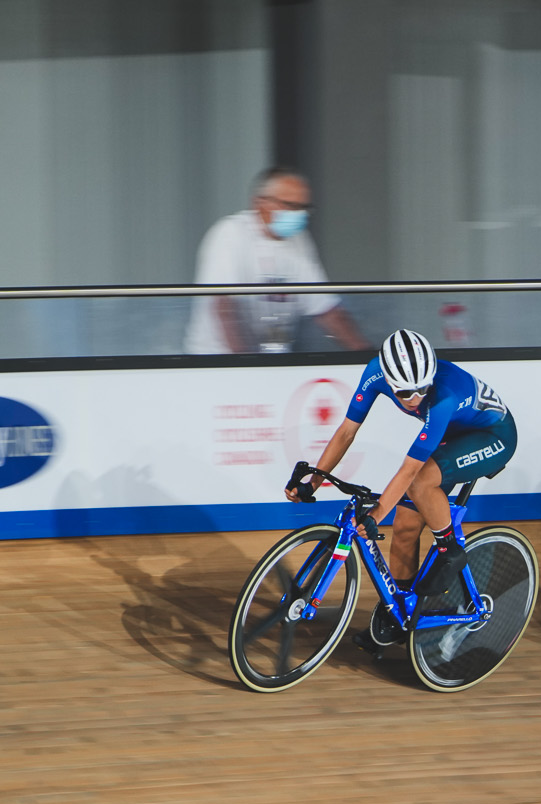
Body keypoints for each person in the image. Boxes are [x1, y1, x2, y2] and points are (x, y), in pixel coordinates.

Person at [287, 329, 515, 639]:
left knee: (420, 483)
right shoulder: (374, 373)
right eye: (406, 393)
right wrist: (313, 483)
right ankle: (401, 611)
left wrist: (375, 515)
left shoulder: (443, 396)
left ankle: (450, 551)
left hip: (493, 436)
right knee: (406, 527)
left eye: (422, 388)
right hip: (452, 434)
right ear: (390, 381)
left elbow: (410, 470)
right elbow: (345, 433)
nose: (416, 398)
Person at [186, 167, 368, 355]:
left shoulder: (299, 241)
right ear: (260, 204)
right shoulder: (230, 234)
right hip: (217, 362)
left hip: (271, 361)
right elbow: (223, 307)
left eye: (303, 208)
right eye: (290, 205)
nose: (299, 214)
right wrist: (245, 362)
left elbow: (326, 310)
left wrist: (367, 355)